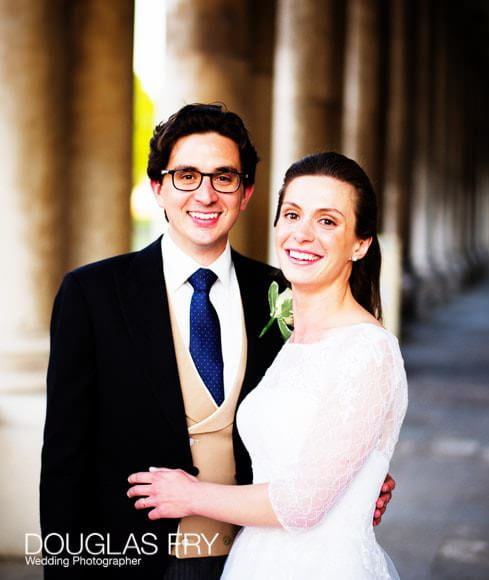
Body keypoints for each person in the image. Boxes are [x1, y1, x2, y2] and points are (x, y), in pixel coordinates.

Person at [40, 105, 394, 580]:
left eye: (224, 177)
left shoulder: (285, 291)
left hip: (254, 551)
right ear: (158, 189)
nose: (205, 195)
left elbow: (325, 405)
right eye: (186, 176)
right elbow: (64, 456)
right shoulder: (92, 294)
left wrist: (358, 476)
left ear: (246, 193)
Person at [127, 152, 408, 579]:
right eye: (292, 214)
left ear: (361, 242)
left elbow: (302, 502)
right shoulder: (288, 329)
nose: (303, 234)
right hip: (253, 558)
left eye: (327, 221)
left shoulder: (368, 350)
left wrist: (191, 495)